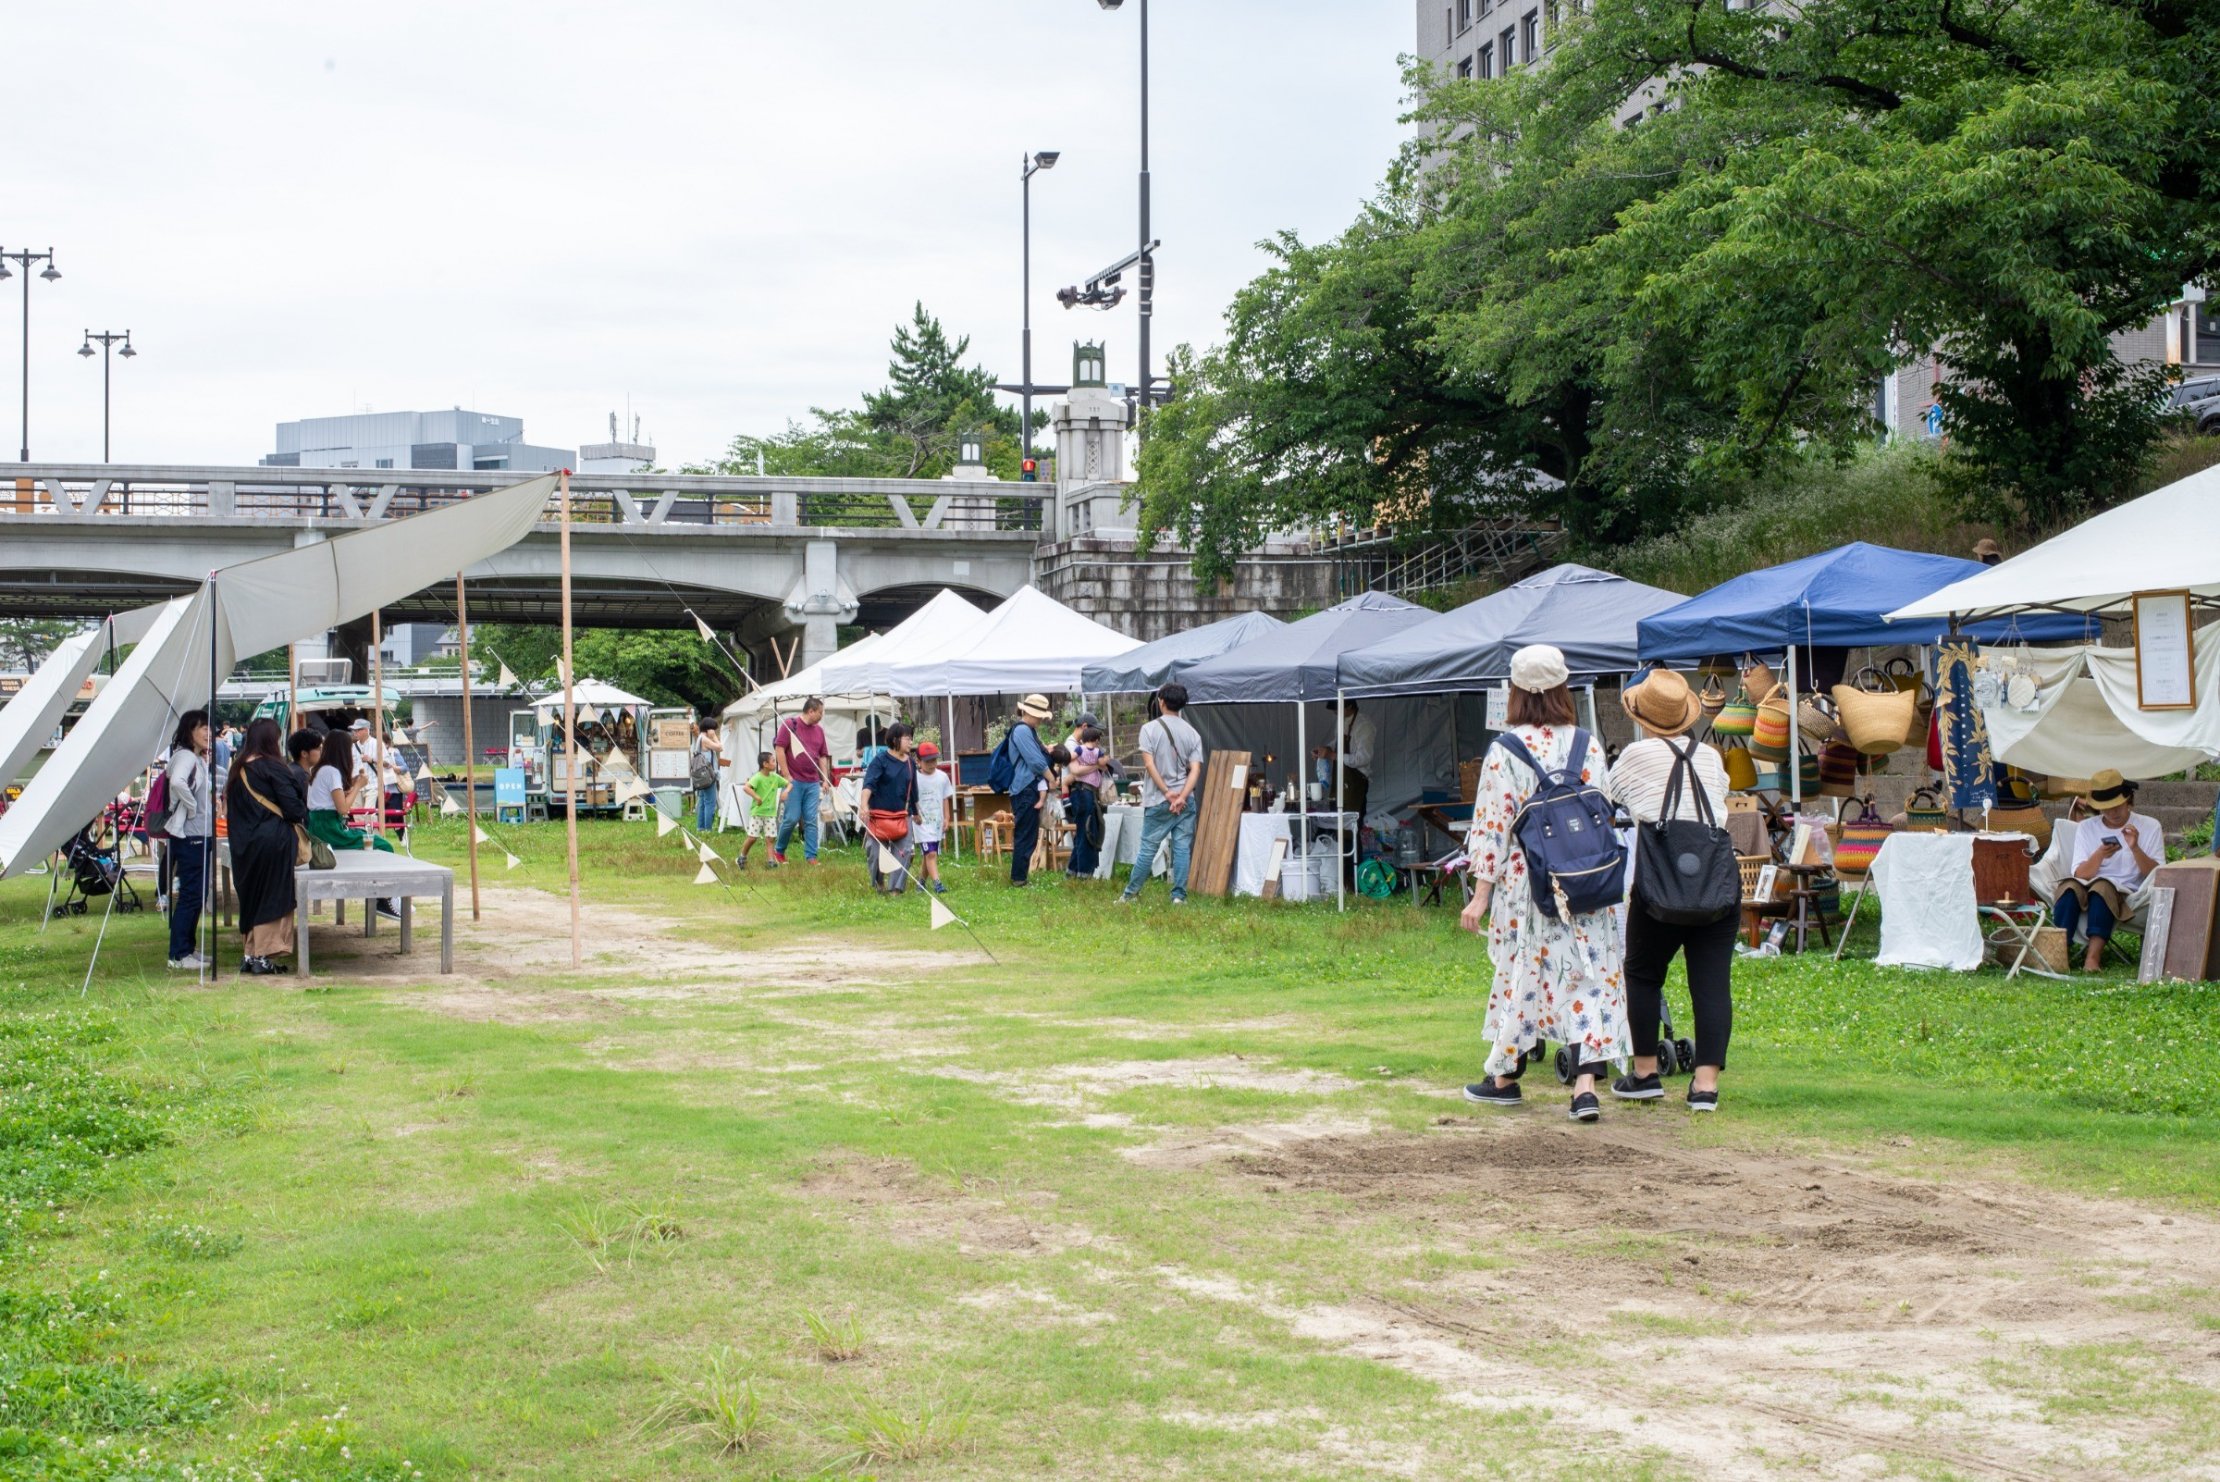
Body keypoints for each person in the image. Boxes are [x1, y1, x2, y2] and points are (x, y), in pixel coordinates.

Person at [1460, 644, 1629, 1122]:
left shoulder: (1505, 751)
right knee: (1590, 977)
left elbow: (1492, 828)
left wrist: (1480, 896)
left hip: (1529, 885)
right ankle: (1585, 1088)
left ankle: (1506, 1077)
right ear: (1561, 688)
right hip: (1586, 880)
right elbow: (1603, 809)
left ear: (1515, 692)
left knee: (1523, 975)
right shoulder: (1587, 744)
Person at [1608, 669, 1735, 1113]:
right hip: (1716, 886)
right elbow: (1720, 801)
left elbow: (1611, 795)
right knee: (1712, 983)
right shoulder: (1710, 758)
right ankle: (1705, 1086)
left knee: (1642, 973)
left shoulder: (1636, 755)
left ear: (1643, 717)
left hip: (1660, 884)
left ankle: (1644, 1073)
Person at [2053, 769, 2163, 972]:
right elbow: (2080, 874)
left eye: (2116, 806)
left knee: (2102, 887)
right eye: (2105, 808)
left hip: (2127, 891)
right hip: (2086, 885)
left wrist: (2135, 847)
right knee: (2068, 888)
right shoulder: (2087, 828)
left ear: (2128, 798)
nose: (2112, 812)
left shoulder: (2149, 826)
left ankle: (2092, 959)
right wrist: (2100, 855)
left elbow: (2156, 874)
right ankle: (2059, 954)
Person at [225, 717, 306, 976]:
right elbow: (294, 809)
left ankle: (250, 953)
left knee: (251, 897)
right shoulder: (273, 768)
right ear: (272, 740)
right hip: (273, 842)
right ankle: (264, 956)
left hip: (243, 844)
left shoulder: (236, 770)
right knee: (273, 897)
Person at [1120, 682, 1204, 905]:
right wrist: (1183, 796)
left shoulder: (1149, 729)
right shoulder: (1193, 733)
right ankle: (1179, 896)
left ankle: (1130, 895)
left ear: (1161, 702)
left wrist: (1168, 793)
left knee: (1148, 847)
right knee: (1182, 848)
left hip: (1159, 799)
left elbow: (1149, 765)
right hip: (1186, 802)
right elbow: (1195, 769)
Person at [308, 732, 399, 922]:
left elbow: (331, 801)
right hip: (330, 829)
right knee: (382, 844)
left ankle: (381, 896)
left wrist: (353, 785)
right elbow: (342, 809)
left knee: (372, 842)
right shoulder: (332, 771)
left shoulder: (320, 769)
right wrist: (358, 786)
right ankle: (383, 898)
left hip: (319, 826)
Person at [162, 710, 215, 971]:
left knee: (197, 893)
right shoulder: (184, 756)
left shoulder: (197, 758)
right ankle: (179, 954)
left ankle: (187, 949)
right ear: (188, 731)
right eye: (201, 727)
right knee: (191, 895)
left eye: (209, 727)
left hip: (200, 834)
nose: (207, 732)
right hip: (191, 835)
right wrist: (193, 807)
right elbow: (178, 783)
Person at [860, 722, 919, 894]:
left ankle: (896, 889)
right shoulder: (880, 760)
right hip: (879, 816)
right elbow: (868, 784)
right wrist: (864, 805)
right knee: (874, 853)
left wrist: (916, 813)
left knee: (905, 852)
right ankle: (879, 883)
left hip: (902, 815)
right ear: (895, 740)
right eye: (907, 738)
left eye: (911, 739)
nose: (910, 742)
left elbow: (913, 790)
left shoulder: (911, 764)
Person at [771, 698, 832, 866]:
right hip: (794, 781)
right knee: (791, 818)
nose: (821, 716)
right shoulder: (789, 725)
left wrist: (825, 779)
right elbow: (779, 749)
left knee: (811, 819)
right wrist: (787, 775)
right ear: (811, 711)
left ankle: (811, 856)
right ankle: (779, 850)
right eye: (820, 712)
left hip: (812, 782)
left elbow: (822, 756)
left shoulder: (819, 731)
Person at [1005, 696, 1055, 886]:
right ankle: (1019, 878)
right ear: (1030, 713)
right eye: (1039, 716)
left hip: (1027, 788)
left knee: (1029, 834)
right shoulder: (1023, 731)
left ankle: (1020, 876)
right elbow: (1035, 761)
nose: (1041, 720)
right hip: (1025, 788)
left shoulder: (1029, 731)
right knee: (1025, 834)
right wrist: (1051, 778)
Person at [1064, 723, 1108, 879]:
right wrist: (1095, 764)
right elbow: (1075, 771)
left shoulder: (1081, 750)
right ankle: (1084, 873)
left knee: (1085, 831)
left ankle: (1073, 871)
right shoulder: (1077, 748)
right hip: (1083, 792)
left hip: (1087, 792)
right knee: (1087, 831)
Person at [913, 741, 954, 894]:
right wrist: (914, 814)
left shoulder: (943, 777)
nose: (932, 764)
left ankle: (921, 882)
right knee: (931, 853)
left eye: (934, 760)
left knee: (928, 854)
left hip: (937, 821)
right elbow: (911, 799)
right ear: (918, 761)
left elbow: (945, 798)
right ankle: (937, 883)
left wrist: (947, 817)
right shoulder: (914, 778)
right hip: (921, 822)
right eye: (927, 761)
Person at [735, 751, 786, 870]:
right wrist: (756, 797)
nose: (775, 763)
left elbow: (789, 784)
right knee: (753, 837)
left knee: (770, 838)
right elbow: (746, 787)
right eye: (773, 761)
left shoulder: (775, 777)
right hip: (757, 813)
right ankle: (742, 857)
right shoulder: (757, 777)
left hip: (770, 814)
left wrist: (786, 791)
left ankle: (771, 861)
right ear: (765, 764)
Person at [1340, 700, 1377, 821]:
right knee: (1340, 822)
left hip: (1357, 781)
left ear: (1350, 706)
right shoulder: (1342, 722)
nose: (1336, 713)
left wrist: (1335, 756)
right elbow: (1337, 744)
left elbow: (1363, 759)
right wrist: (1325, 750)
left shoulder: (1364, 725)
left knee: (1354, 823)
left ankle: (1353, 840)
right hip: (1343, 782)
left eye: (1338, 709)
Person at [690, 717, 724, 833]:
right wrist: (714, 737)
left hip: (701, 776)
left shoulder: (699, 738)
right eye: (713, 729)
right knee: (710, 802)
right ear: (709, 729)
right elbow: (720, 748)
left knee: (703, 802)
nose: (714, 732)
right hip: (708, 776)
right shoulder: (705, 739)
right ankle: (708, 829)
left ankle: (701, 828)